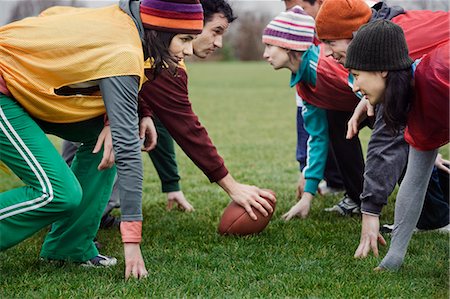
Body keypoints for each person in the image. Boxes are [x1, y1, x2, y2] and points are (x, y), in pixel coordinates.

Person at [0, 0, 205, 279]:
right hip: (6, 90)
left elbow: (55, 16)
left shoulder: (126, 22)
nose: (189, 50)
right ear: (158, 31)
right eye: (184, 39)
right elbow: (128, 150)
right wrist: (131, 240)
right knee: (58, 193)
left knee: (105, 137)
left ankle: (68, 247)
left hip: (28, 90)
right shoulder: (124, 48)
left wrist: (135, 114)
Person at [138, 0, 277, 220]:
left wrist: (171, 184)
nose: (219, 43)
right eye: (215, 31)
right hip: (76, 105)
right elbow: (187, 129)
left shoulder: (167, 57)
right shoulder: (158, 59)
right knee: (113, 138)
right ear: (191, 21)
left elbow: (163, 123)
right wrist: (232, 187)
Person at [314, 0, 449, 220]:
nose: (327, 53)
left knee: (397, 127)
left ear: (355, 34)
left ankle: (434, 216)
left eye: (331, 42)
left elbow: (386, 139)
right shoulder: (381, 41)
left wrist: (371, 210)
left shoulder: (394, 43)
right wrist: (365, 101)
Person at [345, 20, 449, 270]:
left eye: (357, 75)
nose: (356, 87)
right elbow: (414, 183)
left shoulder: (439, 75)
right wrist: (394, 257)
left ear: (382, 70)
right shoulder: (415, 102)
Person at [262, 7, 367, 220]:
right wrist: (307, 195)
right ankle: (358, 198)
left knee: (398, 144)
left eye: (269, 46)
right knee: (337, 126)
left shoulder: (325, 66)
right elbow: (317, 138)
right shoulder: (304, 85)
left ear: (289, 47)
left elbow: (370, 86)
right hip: (358, 107)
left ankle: (433, 207)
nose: (265, 54)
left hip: (379, 102)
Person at [283, 0, 345, 197]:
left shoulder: (335, 28)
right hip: (312, 97)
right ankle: (332, 181)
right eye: (288, 9)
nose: (293, 14)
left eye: (300, 9)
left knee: (338, 130)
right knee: (314, 129)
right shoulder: (302, 33)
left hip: (346, 94)